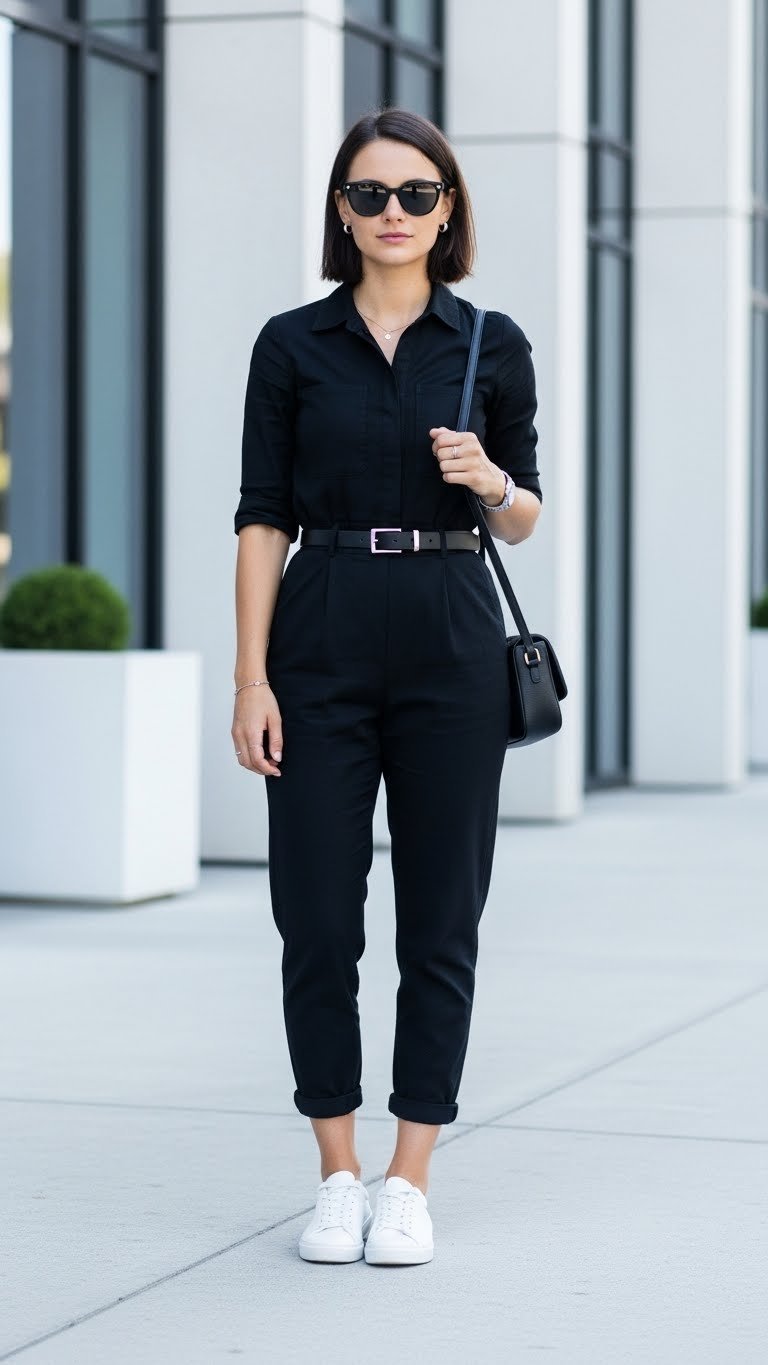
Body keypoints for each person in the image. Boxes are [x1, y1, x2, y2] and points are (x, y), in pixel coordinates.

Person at [231, 108, 543, 1267]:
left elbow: (527, 515)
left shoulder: (490, 342)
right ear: (341, 212)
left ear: (448, 210)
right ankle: (337, 1170)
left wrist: (491, 476)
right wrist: (250, 676)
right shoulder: (291, 344)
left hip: (453, 635)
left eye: (417, 195)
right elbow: (262, 517)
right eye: (370, 195)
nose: (395, 215)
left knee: (441, 920)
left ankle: (411, 1174)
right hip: (318, 633)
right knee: (315, 915)